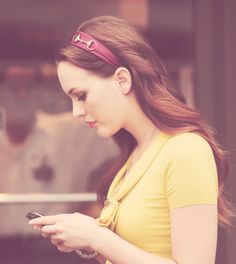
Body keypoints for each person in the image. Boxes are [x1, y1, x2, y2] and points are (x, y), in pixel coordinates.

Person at [28, 16, 235, 264]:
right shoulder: (134, 157)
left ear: (122, 80)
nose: (76, 112)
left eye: (81, 95)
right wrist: (82, 237)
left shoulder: (186, 150)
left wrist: (96, 237)